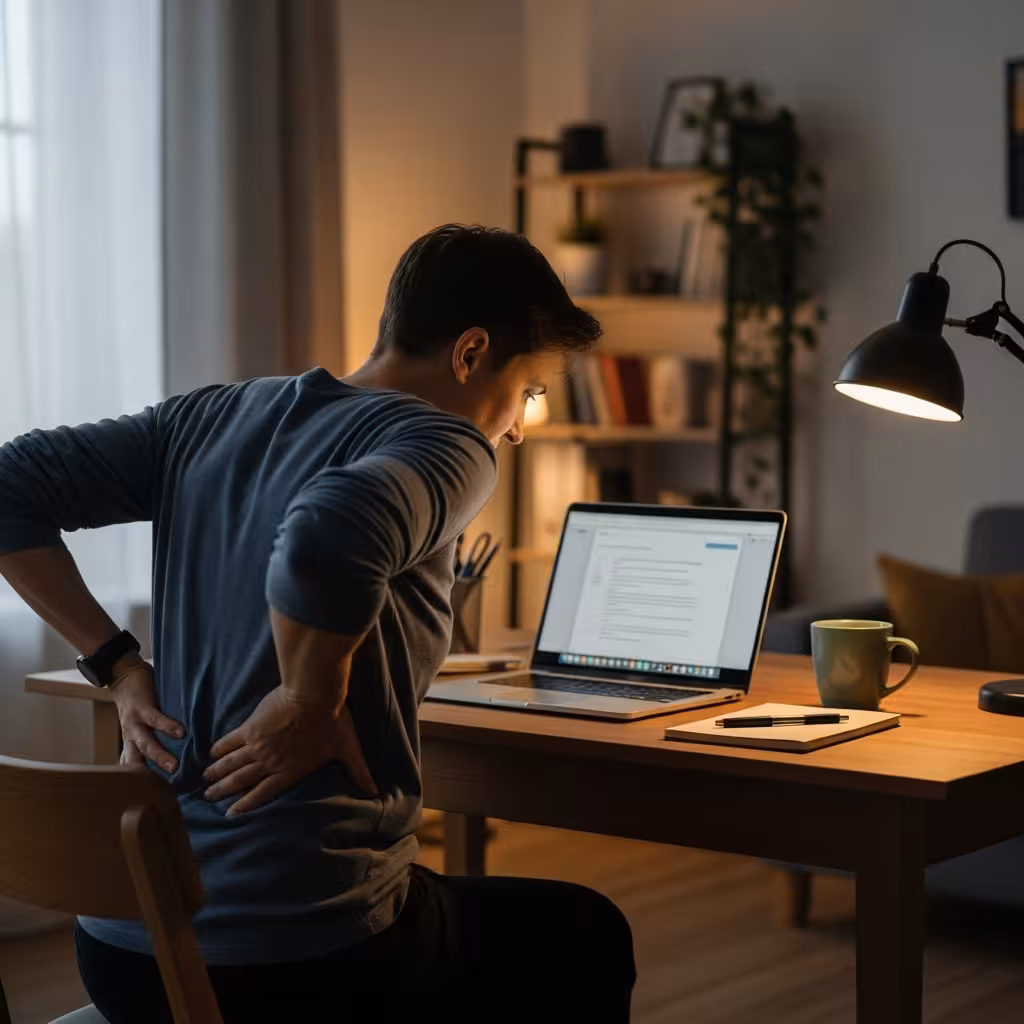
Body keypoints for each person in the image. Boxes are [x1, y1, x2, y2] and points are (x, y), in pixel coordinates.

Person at [0, 224, 636, 1022]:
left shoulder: (209, 418)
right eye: (531, 392)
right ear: (471, 354)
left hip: (125, 949)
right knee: (586, 932)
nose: (516, 427)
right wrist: (308, 699)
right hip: (295, 957)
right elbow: (331, 528)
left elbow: (7, 485)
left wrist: (119, 663)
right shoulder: (446, 440)